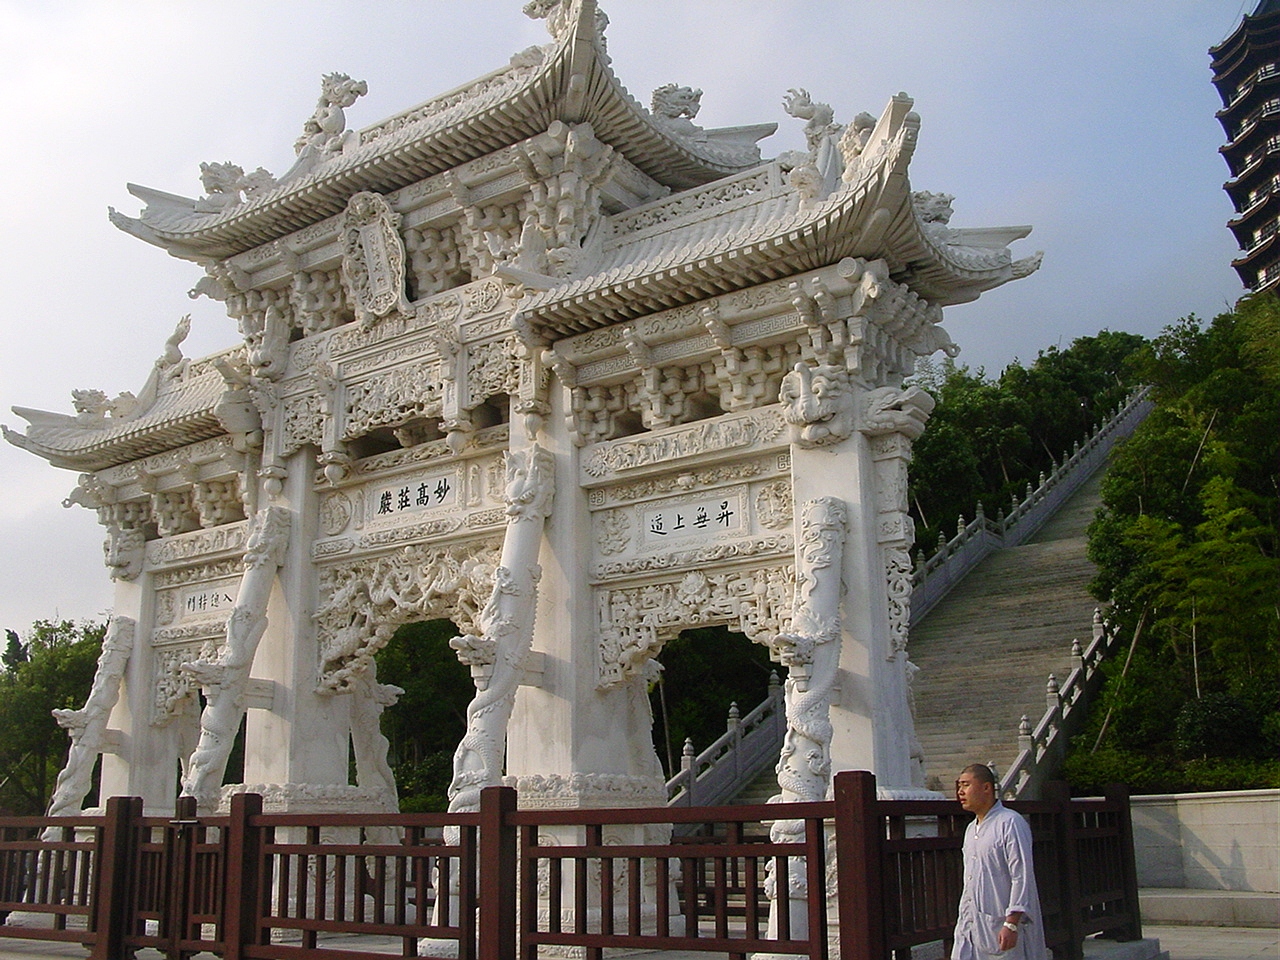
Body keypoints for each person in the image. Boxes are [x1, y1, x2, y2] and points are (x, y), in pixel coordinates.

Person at [952, 764, 1049, 960]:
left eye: (966, 785)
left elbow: (1021, 876)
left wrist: (1011, 922)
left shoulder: (1010, 823)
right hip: (972, 922)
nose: (960, 792)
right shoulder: (971, 830)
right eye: (959, 786)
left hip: (1002, 924)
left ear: (986, 788)